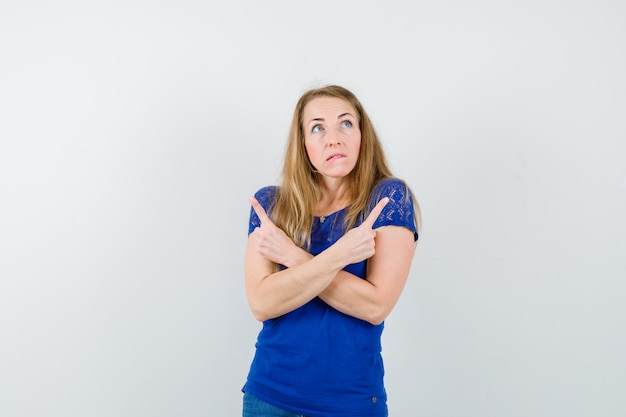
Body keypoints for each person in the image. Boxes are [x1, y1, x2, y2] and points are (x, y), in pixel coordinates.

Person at [242, 85, 420, 417]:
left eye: (345, 123)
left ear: (361, 136)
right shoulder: (271, 206)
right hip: (269, 397)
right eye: (318, 127)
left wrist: (293, 256)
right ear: (304, 144)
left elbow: (375, 305)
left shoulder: (387, 199)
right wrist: (341, 254)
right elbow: (262, 303)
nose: (333, 138)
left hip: (350, 401)